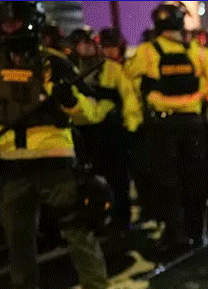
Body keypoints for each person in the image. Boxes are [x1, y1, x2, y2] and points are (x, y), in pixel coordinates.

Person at [0, 0, 112, 289]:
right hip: (11, 165)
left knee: (77, 231)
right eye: (5, 23)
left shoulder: (58, 64)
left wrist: (71, 101)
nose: (10, 29)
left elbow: (91, 113)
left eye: (16, 22)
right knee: (17, 236)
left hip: (55, 164)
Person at [127, 1, 208, 253]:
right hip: (191, 125)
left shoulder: (147, 51)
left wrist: (135, 120)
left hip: (162, 124)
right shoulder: (197, 52)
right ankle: (196, 231)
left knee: (166, 181)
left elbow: (132, 87)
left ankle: (173, 232)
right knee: (194, 180)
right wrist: (200, 99)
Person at [66, 26, 138, 239]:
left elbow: (129, 98)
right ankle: (94, 220)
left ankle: (120, 220)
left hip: (111, 132)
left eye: (90, 43)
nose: (87, 48)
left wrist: (130, 127)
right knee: (86, 181)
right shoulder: (70, 70)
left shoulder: (111, 69)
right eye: (82, 44)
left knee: (117, 179)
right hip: (82, 133)